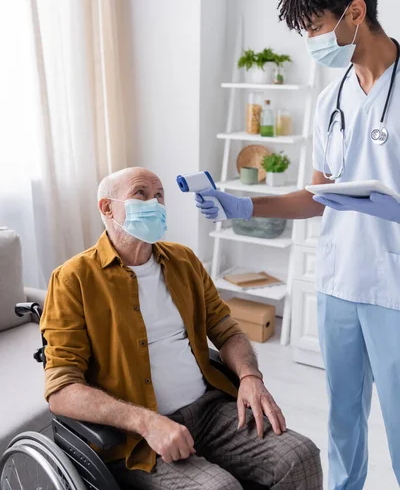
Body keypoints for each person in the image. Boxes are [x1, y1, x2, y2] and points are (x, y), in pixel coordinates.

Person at [196, 0, 400, 490]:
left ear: (356, 13)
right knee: (343, 424)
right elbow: (318, 193)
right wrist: (246, 205)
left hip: (396, 285)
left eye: (316, 27)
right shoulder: (330, 97)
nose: (311, 42)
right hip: (339, 280)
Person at [40, 167, 322, 490]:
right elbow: (61, 391)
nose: (155, 203)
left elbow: (226, 329)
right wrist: (146, 422)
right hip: (139, 438)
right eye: (141, 194)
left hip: (210, 412)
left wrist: (249, 376)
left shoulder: (183, 261)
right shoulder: (72, 280)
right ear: (107, 208)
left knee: (301, 457)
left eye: (160, 196)